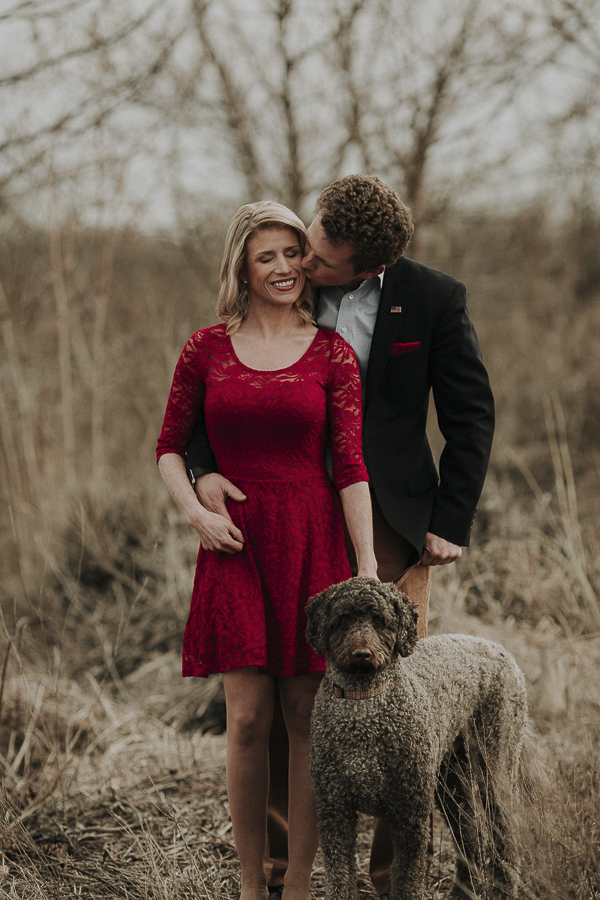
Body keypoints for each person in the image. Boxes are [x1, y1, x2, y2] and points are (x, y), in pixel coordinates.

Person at [183, 175, 495, 899]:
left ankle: (388, 881)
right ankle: (279, 871)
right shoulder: (283, 272)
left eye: (323, 258)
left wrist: (449, 522)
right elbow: (212, 393)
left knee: (394, 703)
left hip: (386, 523)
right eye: (308, 241)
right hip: (274, 516)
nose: (305, 264)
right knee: (289, 700)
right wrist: (201, 472)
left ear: (367, 267)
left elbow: (470, 414)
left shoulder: (434, 299)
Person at [156, 200, 377, 900]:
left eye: (292, 254)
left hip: (314, 542)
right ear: (242, 269)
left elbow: (350, 465)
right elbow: (168, 447)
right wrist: (194, 507)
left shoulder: (332, 353)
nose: (284, 267)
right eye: (266, 257)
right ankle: (252, 886)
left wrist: (366, 565)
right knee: (247, 721)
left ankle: (303, 884)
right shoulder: (205, 348)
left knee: (309, 717)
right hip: (236, 545)